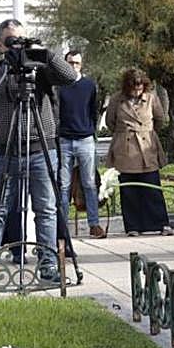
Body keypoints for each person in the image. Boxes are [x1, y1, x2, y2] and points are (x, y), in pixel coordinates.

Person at [0, 19, 78, 282]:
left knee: (46, 209)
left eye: (22, 38)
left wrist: (43, 53)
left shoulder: (40, 67)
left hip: (40, 147)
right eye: (12, 41)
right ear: (0, 44)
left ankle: (48, 266)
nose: (18, 45)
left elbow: (69, 77)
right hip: (7, 148)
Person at [106, 68, 171, 236]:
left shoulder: (151, 98)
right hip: (125, 147)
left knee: (152, 188)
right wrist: (124, 134)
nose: (137, 89)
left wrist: (147, 133)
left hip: (146, 146)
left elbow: (160, 119)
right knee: (129, 190)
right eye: (134, 86)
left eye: (140, 86)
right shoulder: (116, 99)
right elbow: (110, 122)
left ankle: (161, 223)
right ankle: (133, 226)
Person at [56, 50, 105, 240]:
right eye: (70, 63)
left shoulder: (89, 85)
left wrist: (90, 130)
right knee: (64, 185)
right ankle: (62, 227)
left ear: (81, 65)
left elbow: (93, 109)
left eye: (76, 63)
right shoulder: (59, 86)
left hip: (84, 138)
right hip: (65, 139)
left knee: (90, 183)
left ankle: (94, 224)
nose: (73, 66)